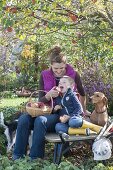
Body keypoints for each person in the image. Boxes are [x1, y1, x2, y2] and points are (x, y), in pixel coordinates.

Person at [13, 45, 88, 160]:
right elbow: (40, 101)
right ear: (51, 66)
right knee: (23, 119)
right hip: (46, 111)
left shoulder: (74, 74)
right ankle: (17, 156)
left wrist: (83, 111)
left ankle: (36, 158)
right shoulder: (44, 75)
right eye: (55, 69)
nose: (59, 71)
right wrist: (48, 96)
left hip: (61, 116)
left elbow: (82, 94)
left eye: (62, 68)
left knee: (40, 120)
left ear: (66, 65)